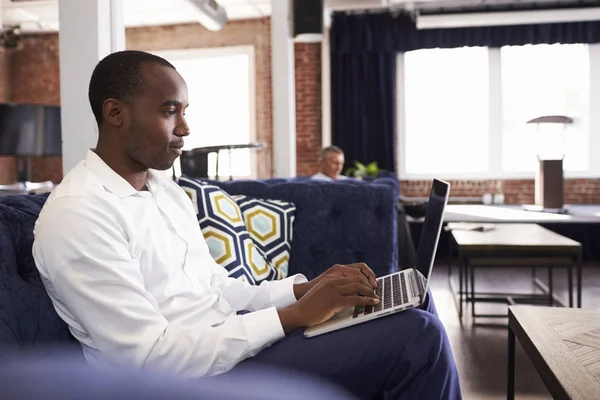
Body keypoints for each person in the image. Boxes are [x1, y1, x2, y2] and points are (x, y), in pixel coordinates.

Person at [32, 50, 462, 400]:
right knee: (417, 339)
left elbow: (215, 287)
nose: (185, 127)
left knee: (414, 301)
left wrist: (302, 290)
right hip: (185, 382)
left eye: (184, 111)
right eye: (169, 111)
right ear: (115, 112)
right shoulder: (79, 214)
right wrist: (293, 316)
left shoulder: (164, 191)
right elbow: (149, 358)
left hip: (229, 348)